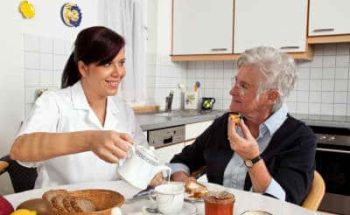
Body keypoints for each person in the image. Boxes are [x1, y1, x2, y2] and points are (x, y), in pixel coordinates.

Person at [10, 26, 162, 189]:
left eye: (121, 63)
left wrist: (152, 172)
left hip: (113, 205)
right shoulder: (54, 102)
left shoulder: (123, 109)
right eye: (108, 63)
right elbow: (20, 149)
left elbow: (141, 152)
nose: (119, 72)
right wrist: (90, 140)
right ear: (83, 68)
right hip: (61, 207)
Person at [170, 46, 316, 205]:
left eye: (244, 86)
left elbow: (286, 205)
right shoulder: (224, 123)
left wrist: (252, 159)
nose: (232, 91)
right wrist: (183, 181)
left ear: (271, 96)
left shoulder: (300, 139)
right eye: (235, 82)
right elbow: (181, 161)